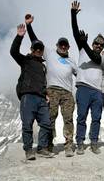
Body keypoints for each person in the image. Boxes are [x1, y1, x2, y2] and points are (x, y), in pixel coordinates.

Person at [25, 14, 78, 157]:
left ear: (68, 47)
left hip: (67, 92)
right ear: (57, 46)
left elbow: (80, 74)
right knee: (50, 118)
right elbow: (35, 40)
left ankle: (68, 145)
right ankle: (48, 145)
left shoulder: (72, 61)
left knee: (68, 118)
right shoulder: (49, 52)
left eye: (65, 45)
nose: (62, 46)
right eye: (60, 44)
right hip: (52, 90)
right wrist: (29, 25)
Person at [10, 23, 53, 160]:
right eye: (36, 48)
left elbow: (43, 82)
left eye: (40, 49)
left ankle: (42, 148)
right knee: (27, 124)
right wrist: (19, 36)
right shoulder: (25, 60)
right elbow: (13, 52)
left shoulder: (43, 66)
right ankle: (28, 150)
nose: (38, 50)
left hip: (41, 98)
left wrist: (46, 93)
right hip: (27, 97)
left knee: (46, 123)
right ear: (32, 49)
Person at [71, 1, 104, 155]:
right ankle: (79, 142)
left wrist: (85, 44)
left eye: (101, 45)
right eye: (96, 43)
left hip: (97, 91)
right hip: (83, 87)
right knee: (82, 116)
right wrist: (73, 14)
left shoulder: (102, 58)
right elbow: (75, 32)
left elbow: (96, 59)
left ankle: (94, 142)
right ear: (93, 43)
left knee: (96, 118)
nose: (98, 46)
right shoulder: (83, 49)